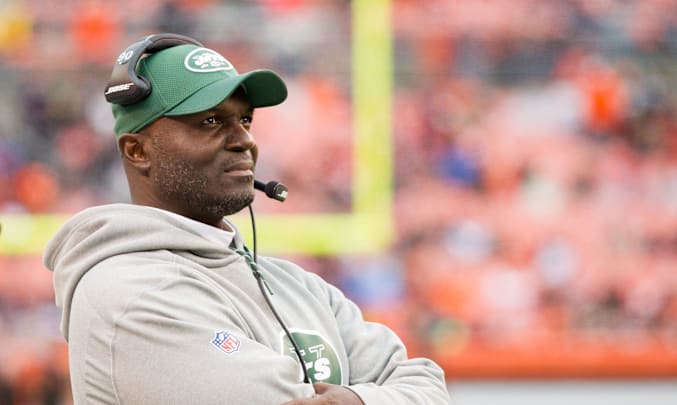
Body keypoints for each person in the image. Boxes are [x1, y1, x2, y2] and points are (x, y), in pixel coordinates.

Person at [43, 33, 450, 404]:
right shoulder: (127, 295)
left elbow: (428, 384)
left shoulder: (299, 286)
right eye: (210, 121)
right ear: (137, 151)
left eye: (245, 120)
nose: (244, 140)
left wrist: (359, 402)